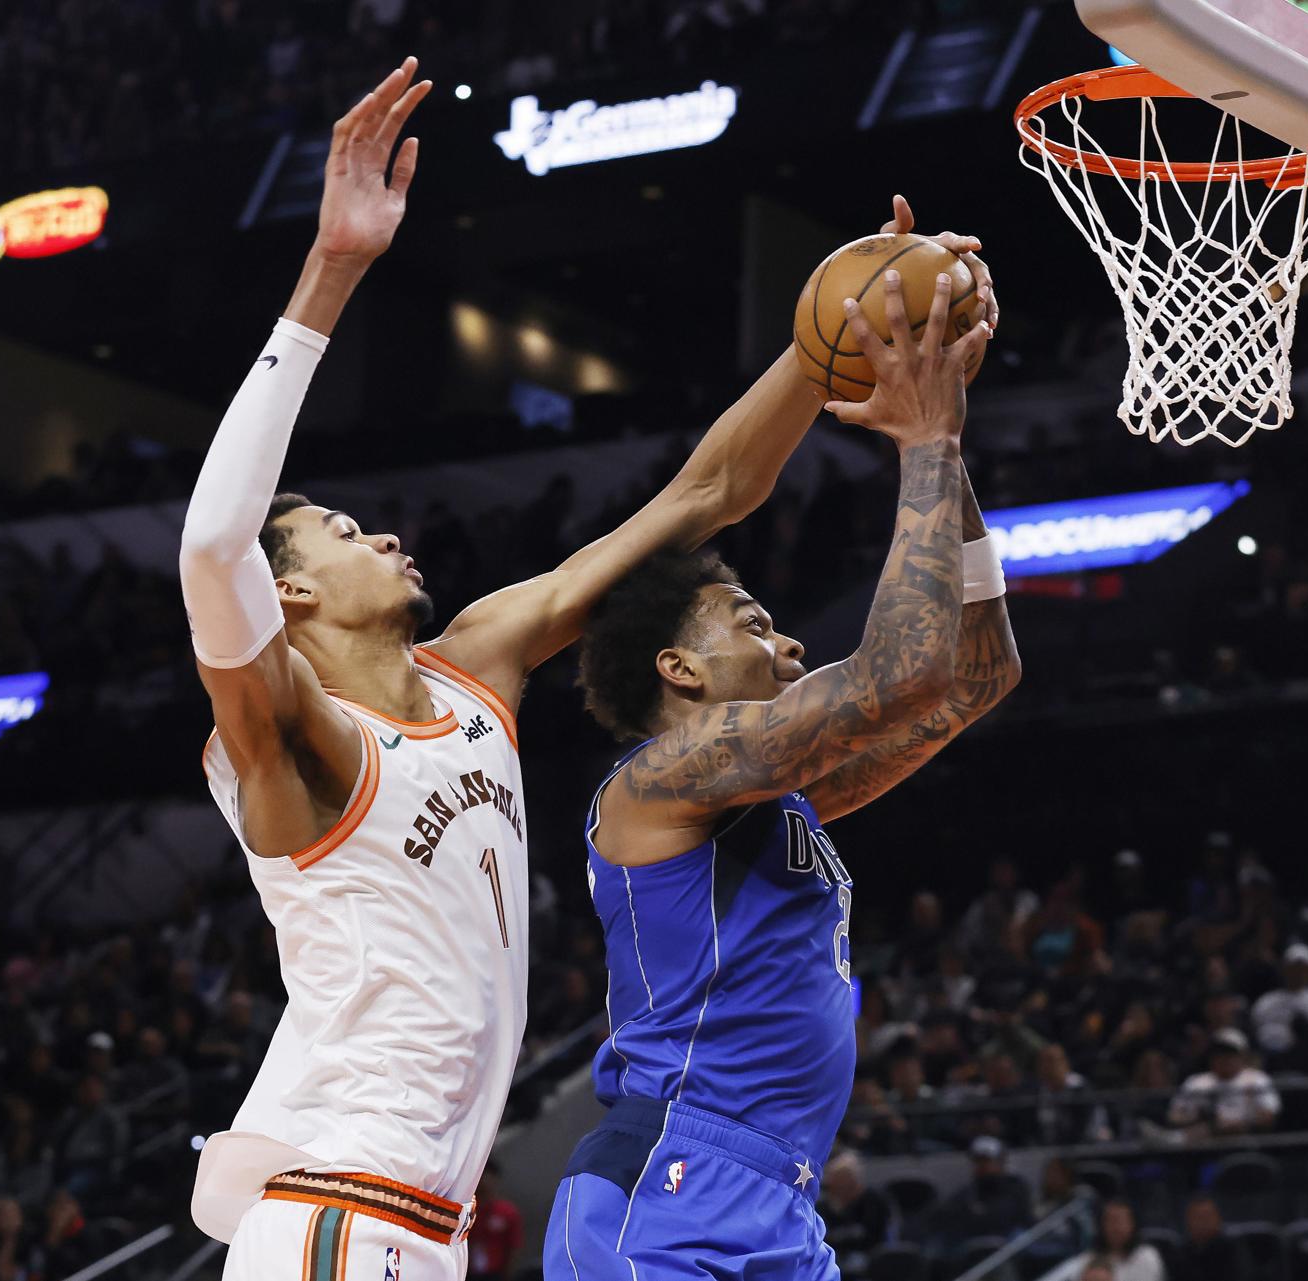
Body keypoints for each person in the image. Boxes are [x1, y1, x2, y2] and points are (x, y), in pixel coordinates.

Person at [177, 58, 890, 1281]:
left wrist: (822, 351)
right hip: (345, 1209)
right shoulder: (292, 738)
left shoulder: (478, 668)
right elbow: (208, 543)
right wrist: (334, 272)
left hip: (416, 1225)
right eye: (345, 536)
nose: (386, 536)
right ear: (287, 592)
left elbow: (705, 495)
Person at [545, 258, 1006, 1280]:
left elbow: (976, 675)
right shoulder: (655, 784)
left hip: (784, 1201)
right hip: (665, 1185)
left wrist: (951, 444)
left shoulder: (771, 801)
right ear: (677, 668)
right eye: (755, 625)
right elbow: (902, 670)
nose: (791, 646)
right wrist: (922, 439)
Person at [1168, 1028, 1282, 1136]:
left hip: (1244, 1140)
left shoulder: (1257, 1079)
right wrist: (1199, 1119)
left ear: (1243, 1055)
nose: (1223, 1058)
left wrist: (1240, 1124)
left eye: (1229, 1053)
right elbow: (1174, 1116)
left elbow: (1269, 1116)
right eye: (1219, 1053)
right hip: (1200, 1141)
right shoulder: (1196, 1082)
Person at [1250, 943, 1308, 1069]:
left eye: (1304, 969)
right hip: (1272, 1060)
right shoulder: (1266, 1001)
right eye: (1294, 968)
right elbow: (1255, 1032)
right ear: (1284, 969)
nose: (1299, 973)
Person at [815, 1152, 894, 1281]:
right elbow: (823, 1239)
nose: (838, 1186)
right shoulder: (824, 1205)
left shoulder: (873, 1200)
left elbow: (873, 1235)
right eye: (835, 1181)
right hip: (836, 1258)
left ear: (853, 1181)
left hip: (870, 1256)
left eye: (843, 1181)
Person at [1061, 1200, 1167, 1281]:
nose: (1116, 1227)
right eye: (1110, 1220)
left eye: (1121, 1221)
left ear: (1133, 1224)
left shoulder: (1147, 1256)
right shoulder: (1087, 1259)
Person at [467, 1166, 524, 1281]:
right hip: (466, 1270)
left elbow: (514, 1246)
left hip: (495, 1273)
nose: (483, 1182)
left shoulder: (506, 1212)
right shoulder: (466, 1210)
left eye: (487, 1178)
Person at [1183, 1194, 1248, 1281]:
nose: (1203, 1222)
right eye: (1198, 1217)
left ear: (1218, 1219)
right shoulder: (1182, 1252)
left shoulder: (1232, 1250)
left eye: (1207, 1216)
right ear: (1188, 1221)